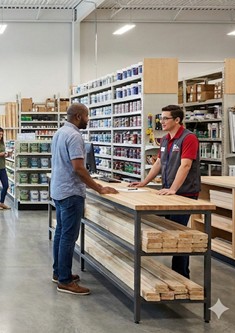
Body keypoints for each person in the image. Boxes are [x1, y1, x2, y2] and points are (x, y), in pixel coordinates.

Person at [50, 103, 118, 296]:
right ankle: (64, 281)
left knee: (61, 233)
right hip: (71, 192)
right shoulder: (75, 136)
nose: (89, 120)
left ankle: (59, 272)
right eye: (87, 116)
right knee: (69, 237)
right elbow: (78, 168)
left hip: (59, 189)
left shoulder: (60, 132)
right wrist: (99, 187)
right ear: (79, 116)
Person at [129, 104, 201, 278]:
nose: (161, 122)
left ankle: (182, 275)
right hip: (169, 192)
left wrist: (173, 189)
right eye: (160, 118)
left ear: (177, 120)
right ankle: (172, 273)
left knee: (179, 235)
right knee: (169, 232)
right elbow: (159, 164)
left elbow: (186, 165)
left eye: (165, 118)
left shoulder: (188, 138)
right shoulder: (165, 139)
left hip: (184, 193)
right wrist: (144, 182)